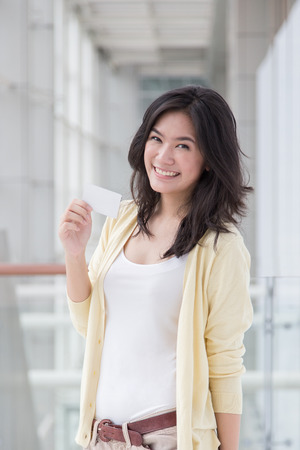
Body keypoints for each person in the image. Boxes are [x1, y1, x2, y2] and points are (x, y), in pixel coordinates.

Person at [59, 85, 253, 450]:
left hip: (171, 439)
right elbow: (89, 323)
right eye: (156, 138)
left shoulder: (220, 248)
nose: (164, 155)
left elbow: (225, 366)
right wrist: (74, 254)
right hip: (102, 436)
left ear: (209, 158)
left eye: (183, 145)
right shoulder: (122, 221)